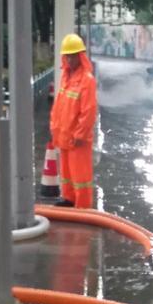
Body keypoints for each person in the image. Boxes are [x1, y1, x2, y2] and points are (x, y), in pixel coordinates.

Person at [50, 33, 98, 209]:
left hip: (78, 138)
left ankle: (83, 207)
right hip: (64, 134)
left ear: (80, 56)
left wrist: (80, 134)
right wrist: (55, 127)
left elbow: (89, 111)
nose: (69, 60)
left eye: (72, 55)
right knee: (67, 172)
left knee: (81, 176)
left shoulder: (87, 80)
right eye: (67, 56)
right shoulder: (66, 78)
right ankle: (69, 199)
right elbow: (59, 105)